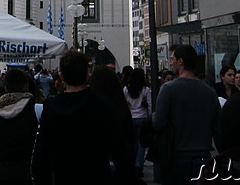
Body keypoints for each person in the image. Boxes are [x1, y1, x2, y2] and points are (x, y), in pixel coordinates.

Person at [31, 50, 136, 184]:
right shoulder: (102, 104)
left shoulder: (52, 108)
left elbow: (40, 158)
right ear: (87, 74)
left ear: (61, 76)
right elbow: (120, 151)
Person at [152, 44, 220, 185]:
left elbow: (158, 123)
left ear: (180, 61)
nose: (171, 63)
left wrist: (151, 117)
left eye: (172, 59)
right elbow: (217, 127)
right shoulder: (210, 92)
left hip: (177, 156)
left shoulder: (168, 89)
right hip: (204, 156)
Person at [0, 68, 39, 185]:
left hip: (4, 170)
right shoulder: (34, 109)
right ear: (26, 86)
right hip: (27, 169)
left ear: (6, 87)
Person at [122, 67, 151, 176]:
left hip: (131, 117)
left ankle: (132, 163)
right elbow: (150, 105)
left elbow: (124, 104)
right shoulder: (145, 90)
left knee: (132, 142)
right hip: (142, 117)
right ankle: (139, 165)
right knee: (141, 144)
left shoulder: (126, 89)